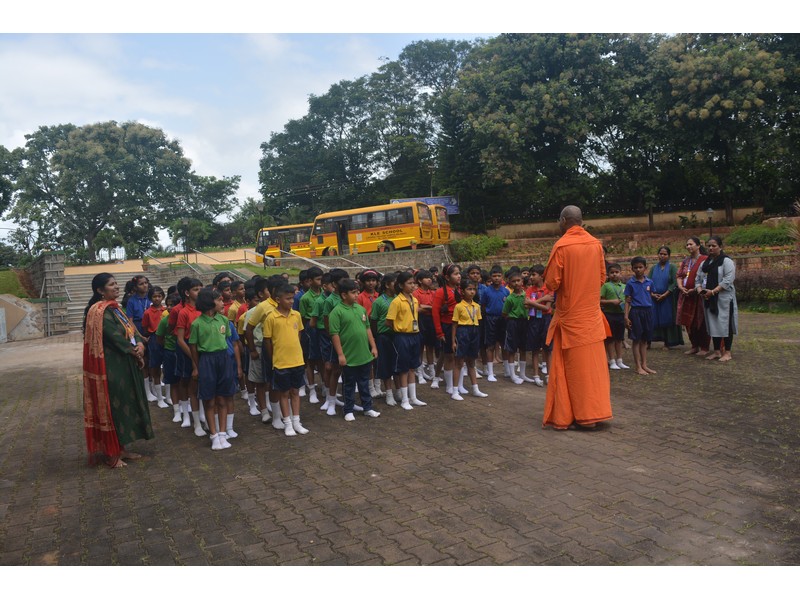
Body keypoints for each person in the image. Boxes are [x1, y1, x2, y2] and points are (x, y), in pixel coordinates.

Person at [542, 205, 612, 430]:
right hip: (591, 317)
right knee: (593, 369)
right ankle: (595, 413)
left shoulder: (562, 246)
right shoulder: (596, 245)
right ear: (581, 221)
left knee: (572, 370)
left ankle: (577, 417)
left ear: (564, 220)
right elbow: (602, 278)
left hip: (571, 318)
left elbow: (552, 283)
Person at [82, 273, 154, 468]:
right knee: (112, 407)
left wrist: (139, 344)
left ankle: (121, 448)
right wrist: (133, 350)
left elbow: (131, 330)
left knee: (125, 405)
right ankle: (110, 453)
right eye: (111, 285)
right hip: (112, 367)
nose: (116, 287)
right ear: (100, 290)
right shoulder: (98, 311)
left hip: (127, 363)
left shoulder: (117, 308)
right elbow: (115, 337)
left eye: (116, 284)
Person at [189, 289, 236, 450]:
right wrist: (197, 366)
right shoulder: (197, 324)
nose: (223, 303)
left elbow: (228, 340)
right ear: (210, 303)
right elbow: (193, 347)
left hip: (223, 359)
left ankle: (223, 434)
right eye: (219, 300)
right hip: (207, 360)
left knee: (223, 398)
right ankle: (214, 435)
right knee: (209, 400)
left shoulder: (223, 320)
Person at [329, 278, 381, 421]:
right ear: (344, 295)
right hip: (349, 356)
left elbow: (368, 329)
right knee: (349, 384)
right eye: (353, 292)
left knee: (364, 383)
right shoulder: (336, 312)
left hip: (364, 354)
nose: (356, 295)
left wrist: (374, 347)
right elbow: (334, 334)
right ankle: (348, 410)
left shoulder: (361, 309)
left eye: (357, 292)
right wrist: (340, 354)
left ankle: (367, 407)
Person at [263, 283, 310, 436]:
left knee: (295, 391)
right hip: (281, 362)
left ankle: (297, 421)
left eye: (292, 298)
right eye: (287, 298)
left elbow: (299, 335)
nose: (291, 301)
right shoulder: (271, 318)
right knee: (284, 393)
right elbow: (268, 341)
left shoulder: (296, 315)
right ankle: (287, 423)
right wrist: (273, 359)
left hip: (296, 360)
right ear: (278, 299)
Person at [386, 271, 427, 410]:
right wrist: (400, 329)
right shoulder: (397, 301)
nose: (412, 286)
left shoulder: (414, 300)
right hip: (402, 336)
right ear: (401, 285)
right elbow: (389, 322)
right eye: (409, 283)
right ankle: (404, 399)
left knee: (412, 367)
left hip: (415, 335)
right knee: (403, 368)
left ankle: (413, 397)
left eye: (413, 283)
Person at [696, 235, 738, 362]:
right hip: (708, 298)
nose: (711, 248)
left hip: (723, 298)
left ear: (720, 247)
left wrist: (713, 291)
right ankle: (717, 351)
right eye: (709, 246)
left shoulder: (726, 261)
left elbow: (728, 280)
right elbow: (698, 279)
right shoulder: (705, 263)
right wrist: (700, 290)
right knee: (713, 324)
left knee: (726, 324)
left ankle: (728, 352)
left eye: (714, 246)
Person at [451, 279, 487, 399]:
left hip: (474, 332)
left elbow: (478, 322)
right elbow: (454, 325)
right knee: (459, 362)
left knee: (472, 362)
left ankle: (475, 388)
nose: (472, 292)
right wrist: (453, 341)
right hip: (462, 332)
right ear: (462, 291)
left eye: (474, 289)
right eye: (469, 289)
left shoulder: (476, 306)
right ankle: (455, 390)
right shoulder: (459, 306)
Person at [676, 237, 711, 355]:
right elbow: (679, 275)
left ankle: (704, 347)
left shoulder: (705, 260)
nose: (688, 247)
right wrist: (681, 287)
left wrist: (695, 289)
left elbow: (707, 277)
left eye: (691, 244)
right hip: (686, 295)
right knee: (688, 322)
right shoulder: (686, 261)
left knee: (701, 322)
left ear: (698, 245)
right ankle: (694, 345)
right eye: (687, 245)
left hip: (699, 296)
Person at [624, 256, 657, 375]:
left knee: (645, 340)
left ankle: (644, 364)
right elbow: (627, 301)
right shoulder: (630, 283)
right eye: (636, 267)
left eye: (640, 267)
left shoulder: (650, 282)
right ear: (632, 269)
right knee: (636, 340)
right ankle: (638, 366)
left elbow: (651, 294)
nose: (638, 269)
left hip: (648, 312)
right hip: (636, 312)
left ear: (645, 268)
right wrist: (626, 316)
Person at [649, 246, 684, 349]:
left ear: (669, 256)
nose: (662, 256)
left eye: (665, 254)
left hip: (668, 298)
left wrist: (665, 294)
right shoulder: (653, 268)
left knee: (668, 318)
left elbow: (674, 282)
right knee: (655, 318)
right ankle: (651, 340)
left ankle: (668, 342)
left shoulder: (672, 267)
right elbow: (649, 282)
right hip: (655, 298)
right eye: (660, 254)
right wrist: (652, 294)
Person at [480, 265, 509, 382]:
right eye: (494, 276)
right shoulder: (487, 291)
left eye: (499, 276)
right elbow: (483, 306)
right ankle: (490, 372)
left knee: (504, 344)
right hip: (490, 319)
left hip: (503, 319)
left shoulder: (506, 291)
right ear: (491, 277)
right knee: (490, 345)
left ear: (502, 277)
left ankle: (507, 370)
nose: (496, 278)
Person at [599, 263, 629, 370]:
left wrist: (626, 315)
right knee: (610, 339)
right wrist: (611, 302)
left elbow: (627, 301)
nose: (614, 275)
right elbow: (599, 300)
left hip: (620, 315)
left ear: (621, 273)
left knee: (619, 338)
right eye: (612, 273)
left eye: (617, 272)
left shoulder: (625, 287)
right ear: (608, 274)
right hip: (609, 315)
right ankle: (611, 360)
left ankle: (619, 360)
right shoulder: (606, 286)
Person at [501, 272, 528, 385]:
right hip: (513, 323)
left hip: (525, 322)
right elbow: (504, 313)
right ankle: (512, 375)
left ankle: (522, 374)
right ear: (510, 284)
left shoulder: (526, 295)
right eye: (513, 281)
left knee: (523, 348)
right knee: (512, 349)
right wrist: (513, 319)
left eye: (518, 280)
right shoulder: (509, 299)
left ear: (522, 281)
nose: (516, 283)